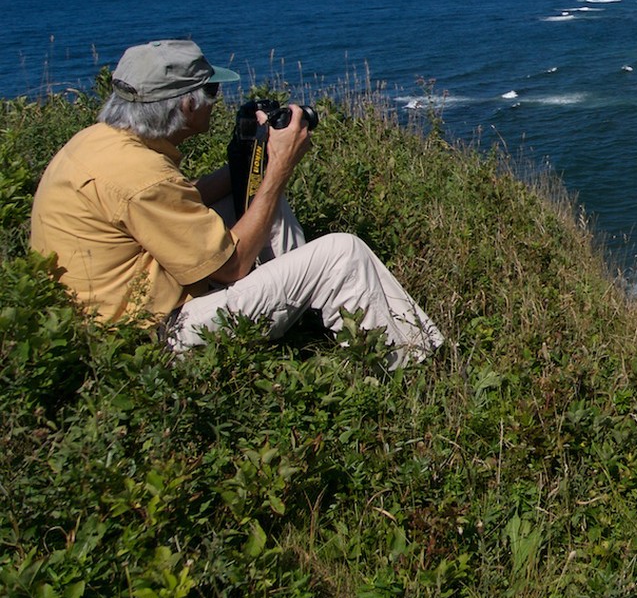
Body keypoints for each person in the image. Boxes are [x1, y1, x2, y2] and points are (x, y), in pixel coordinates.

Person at [29, 38, 442, 370]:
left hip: (104, 317)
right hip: (148, 342)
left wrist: (249, 160)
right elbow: (232, 265)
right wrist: (278, 168)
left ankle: (303, 302)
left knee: (260, 199)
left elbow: (178, 202)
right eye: (210, 91)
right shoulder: (142, 177)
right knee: (342, 252)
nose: (218, 98)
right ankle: (413, 364)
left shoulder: (102, 143)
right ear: (185, 104)